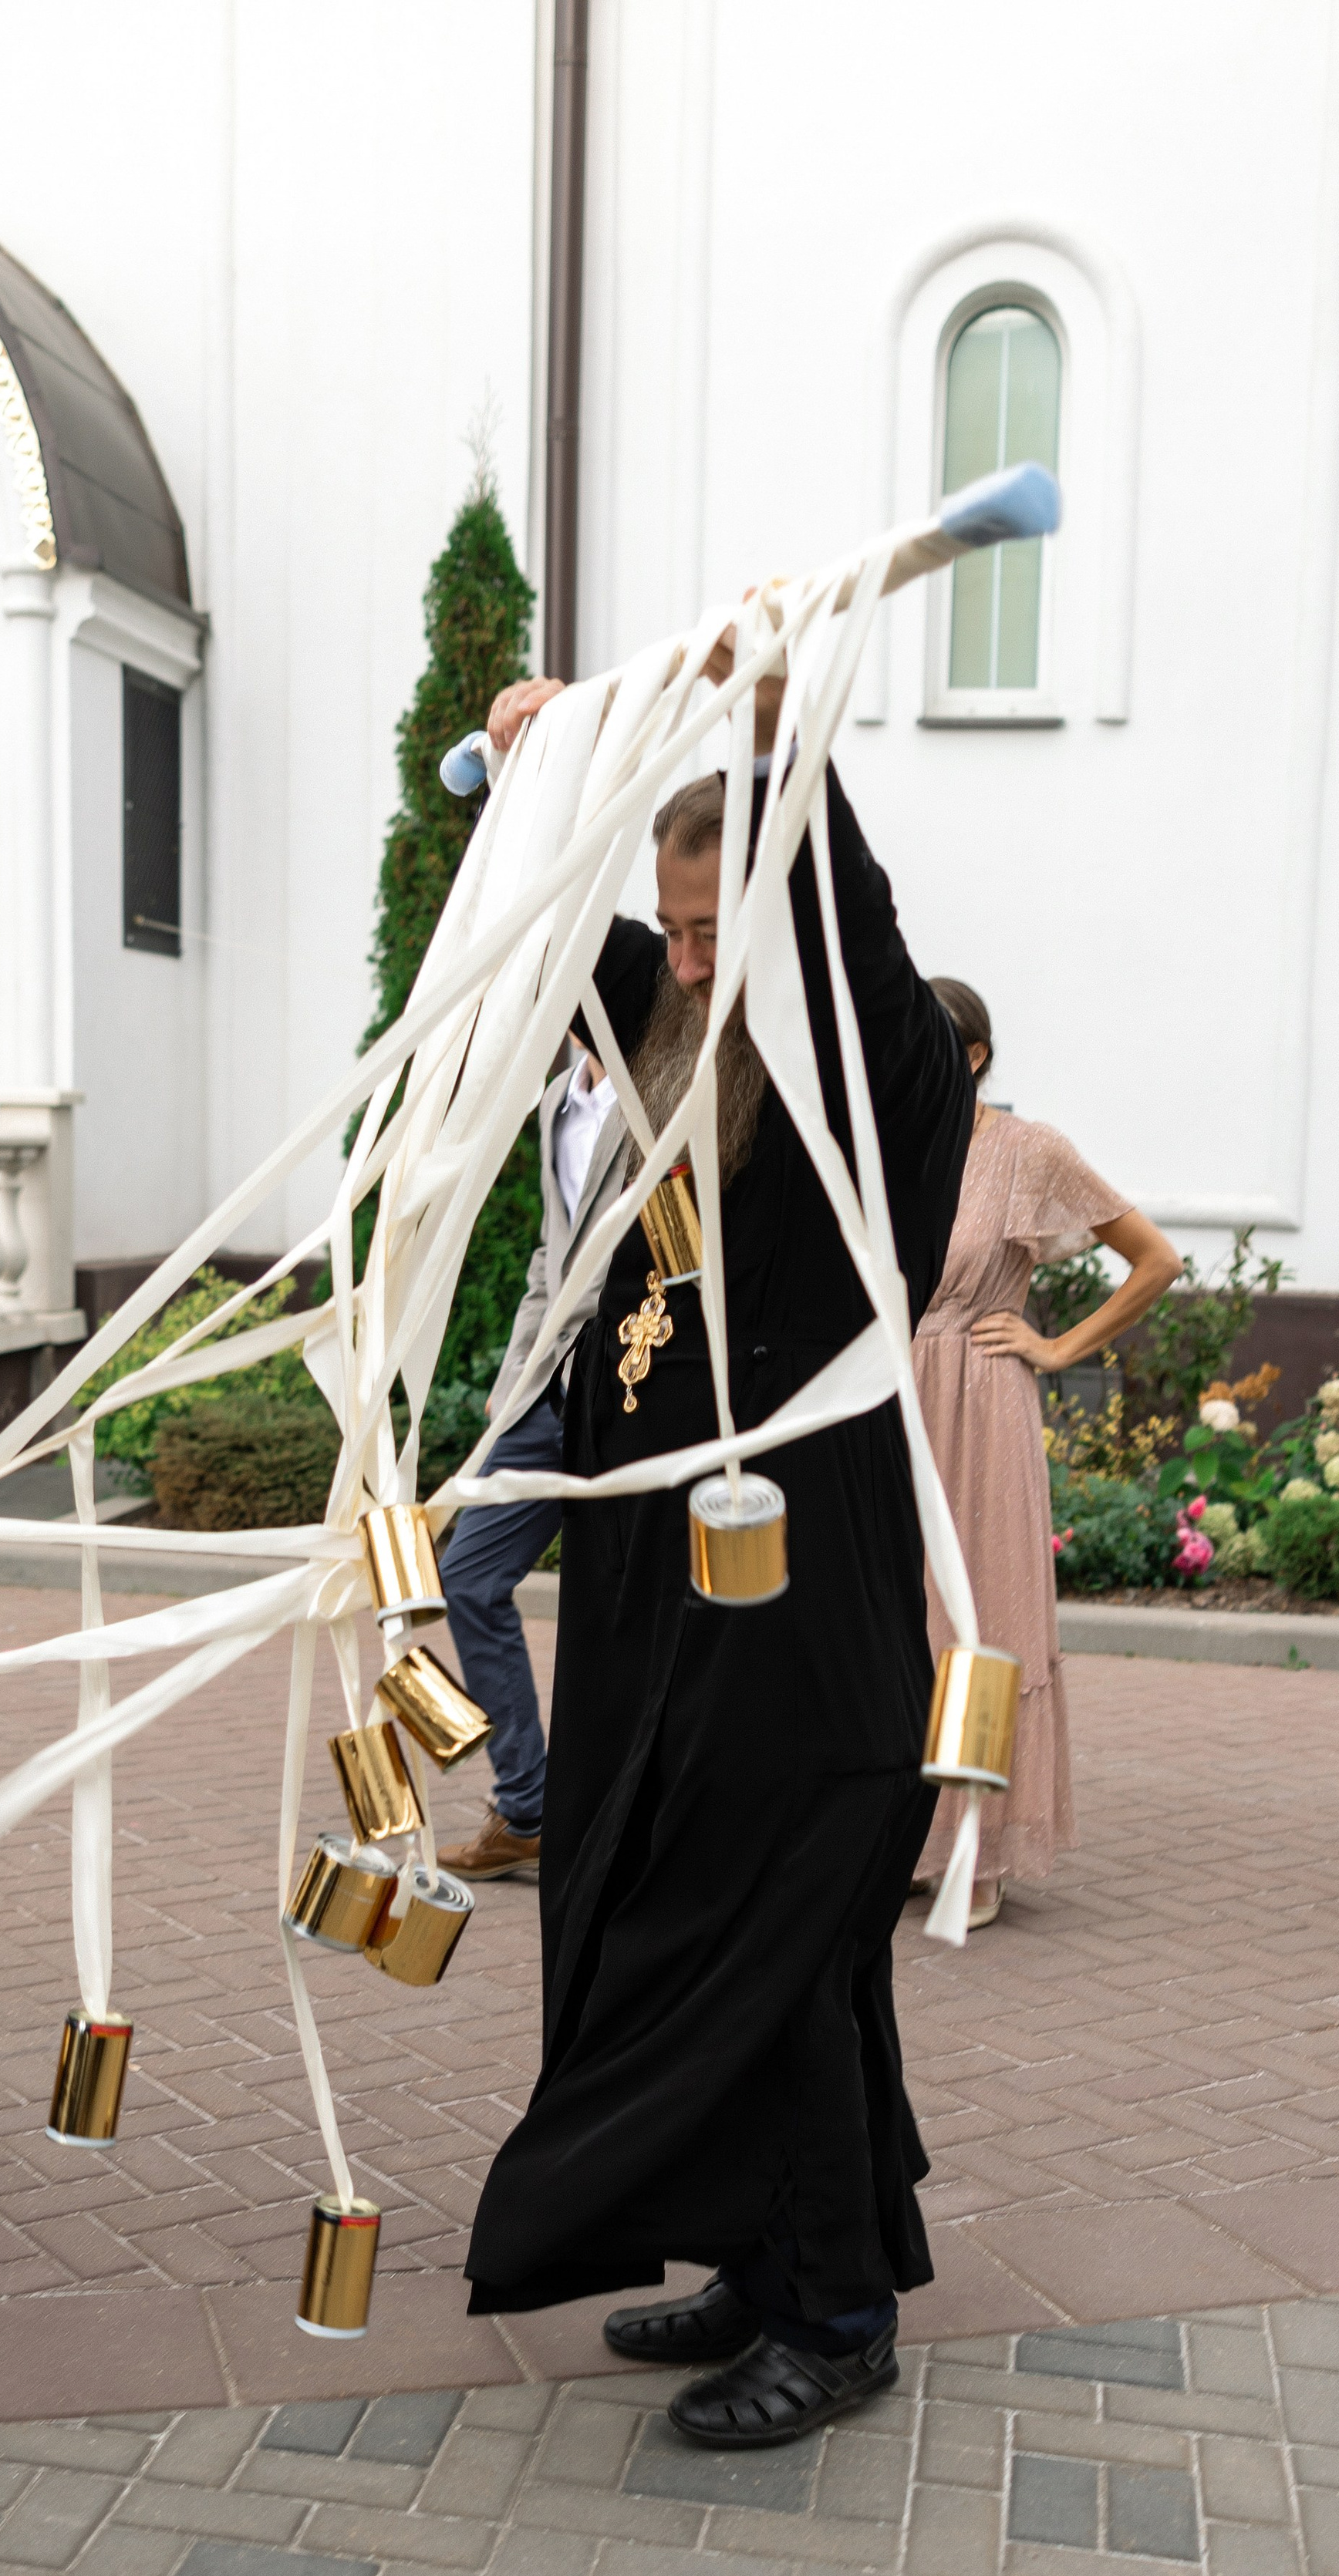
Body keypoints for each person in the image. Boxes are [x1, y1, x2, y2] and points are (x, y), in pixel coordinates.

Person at [464, 659, 975, 2453]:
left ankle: (834, 2317)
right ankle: (764, 2260)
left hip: (799, 1616)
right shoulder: (668, 1037)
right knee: (686, 1935)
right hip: (656, 1622)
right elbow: (551, 952)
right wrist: (538, 773)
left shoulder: (866, 1092)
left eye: (715, 927)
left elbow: (846, 934)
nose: (682, 958)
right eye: (672, 926)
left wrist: (776, 744)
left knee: (782, 1950)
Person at [912, 980, 1181, 1924]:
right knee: (899, 1618)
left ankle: (975, 1850)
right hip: (888, 1408)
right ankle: (908, 1834)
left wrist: (1059, 1348)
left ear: (974, 1055)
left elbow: (1155, 1261)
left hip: (979, 1401)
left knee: (979, 1618)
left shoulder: (1028, 1152)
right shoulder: (882, 1150)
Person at [438, 1040, 627, 1883]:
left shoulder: (669, 1083)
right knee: (469, 1577)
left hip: (633, 1388)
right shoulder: (559, 1099)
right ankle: (527, 1806)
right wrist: (515, 1376)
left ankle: (634, 1818)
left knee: (624, 1607)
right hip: (544, 1386)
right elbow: (552, 1253)